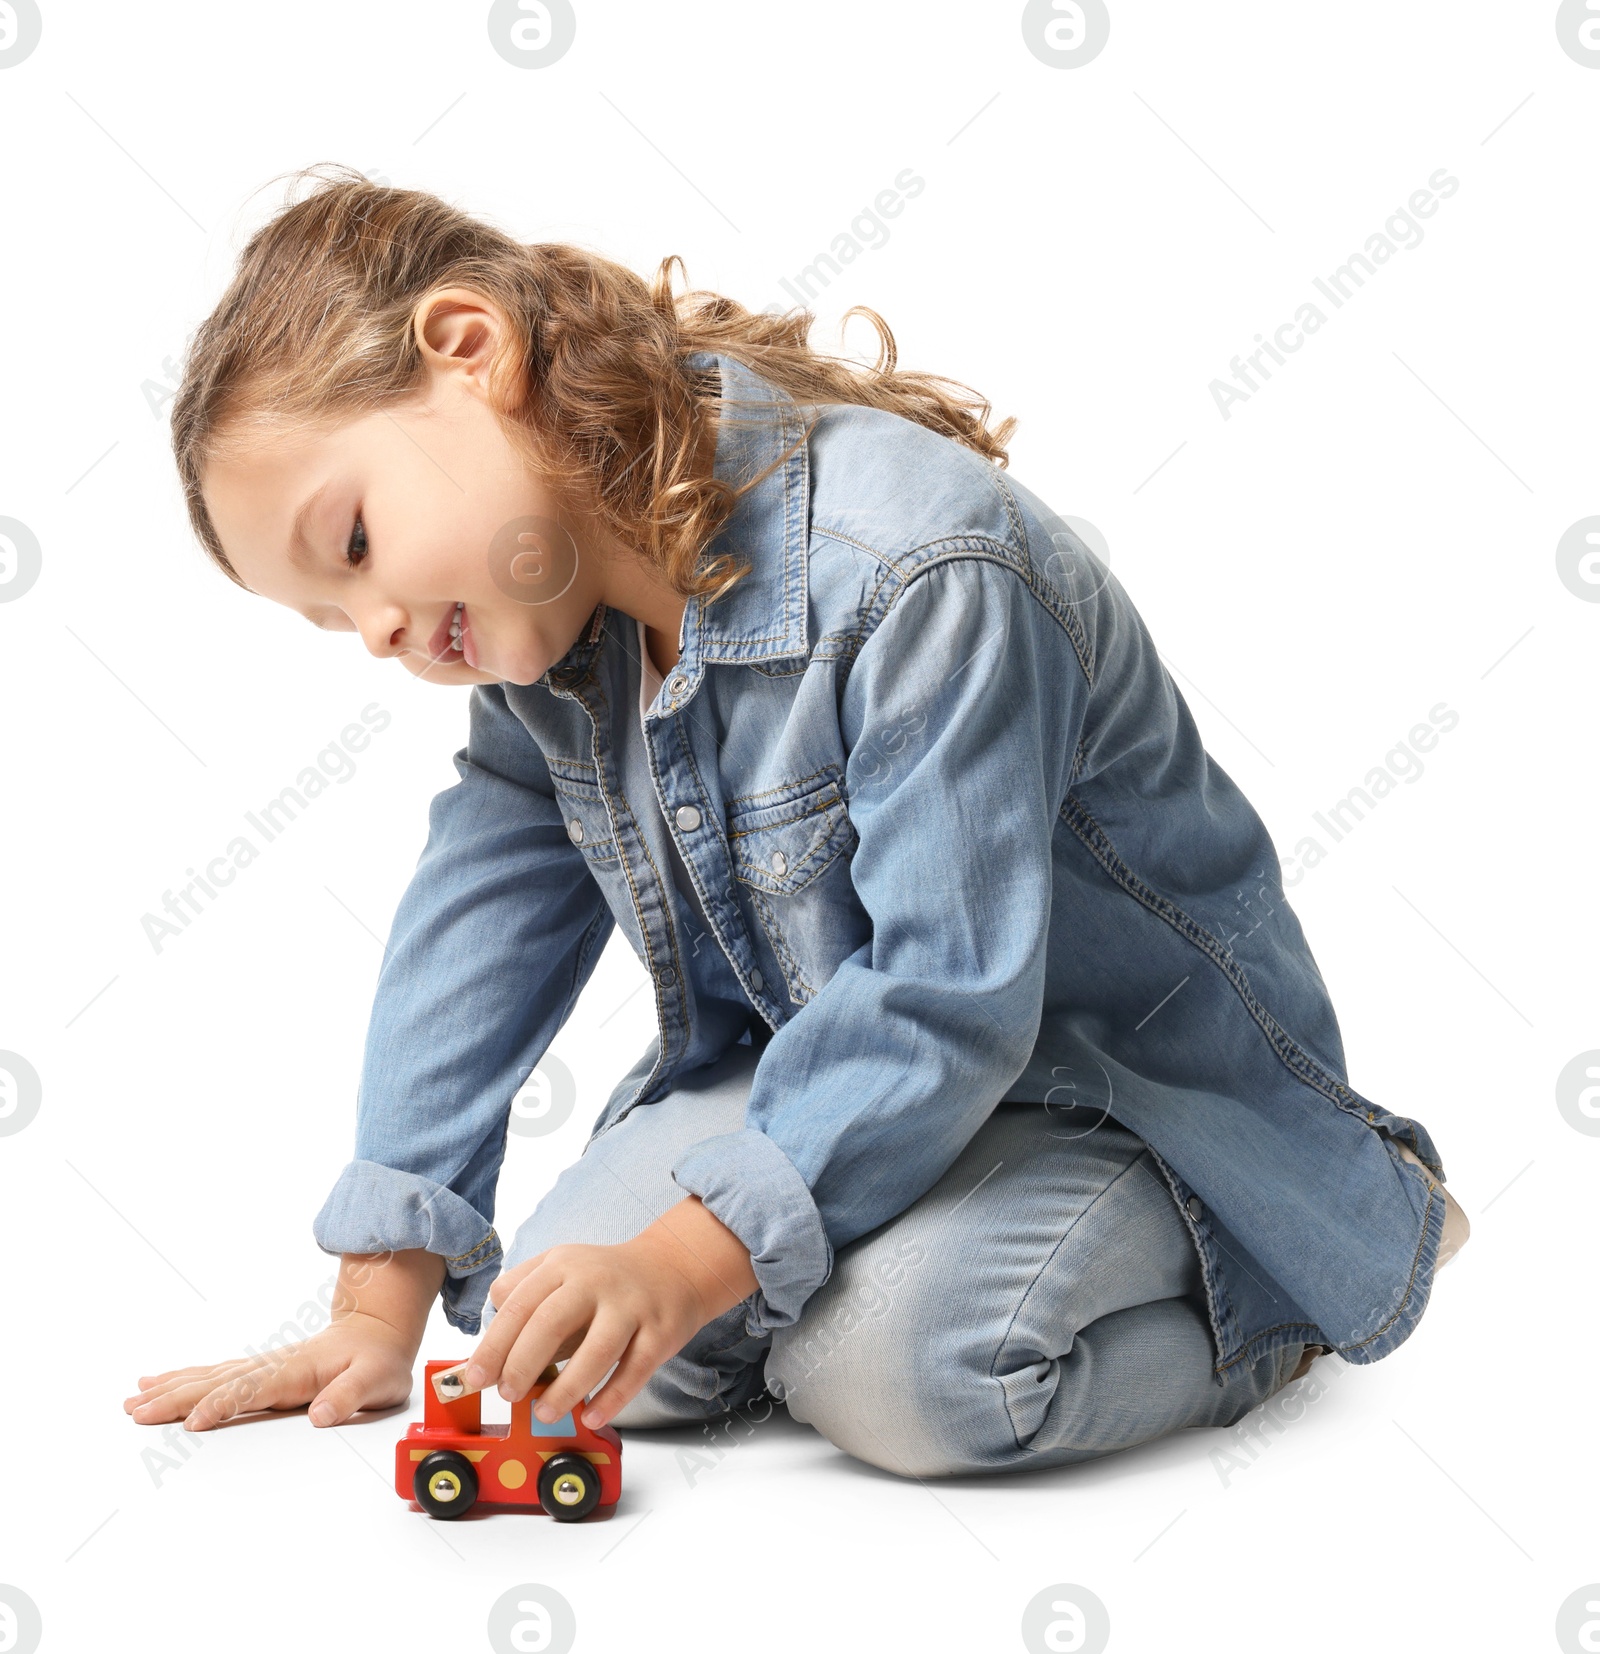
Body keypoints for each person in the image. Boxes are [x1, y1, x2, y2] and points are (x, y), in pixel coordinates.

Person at [124, 165, 1467, 1479]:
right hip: (828, 1065)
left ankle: (1290, 1268)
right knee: (571, 1339)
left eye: (351, 543)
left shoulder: (919, 572)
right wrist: (379, 1300)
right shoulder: (551, 646)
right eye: (325, 620)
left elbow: (950, 996)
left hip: (1106, 1086)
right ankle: (835, 1247)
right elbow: (474, 924)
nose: (372, 633)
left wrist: (691, 1258)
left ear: (469, 351)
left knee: (913, 1371)